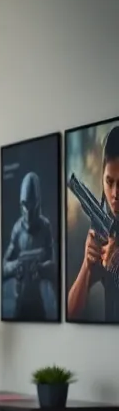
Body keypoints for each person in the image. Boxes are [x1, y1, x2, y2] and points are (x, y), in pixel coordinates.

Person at [66, 126, 119, 322]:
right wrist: (87, 267)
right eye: (109, 182)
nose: (115, 194)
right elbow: (70, 313)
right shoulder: (105, 232)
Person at [2, 171, 56, 320]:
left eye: (32, 204)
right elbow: (4, 267)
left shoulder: (45, 227)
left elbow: (54, 267)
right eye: (26, 204)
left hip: (40, 300)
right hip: (20, 301)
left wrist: (40, 268)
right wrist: (17, 266)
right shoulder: (17, 229)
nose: (28, 210)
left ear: (38, 203)